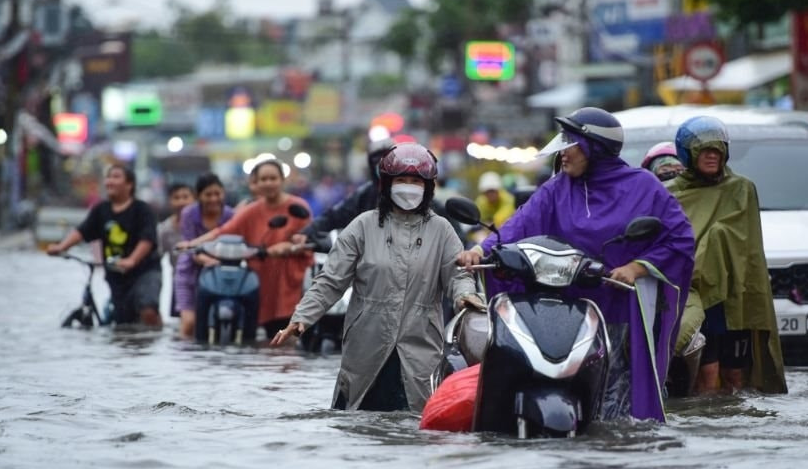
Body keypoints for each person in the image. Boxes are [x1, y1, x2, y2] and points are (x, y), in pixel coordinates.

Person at [457, 107, 696, 422]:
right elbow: (518, 226)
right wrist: (479, 250)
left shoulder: (644, 187)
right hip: (565, 309)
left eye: (571, 143)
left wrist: (636, 268)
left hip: (619, 310)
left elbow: (680, 239)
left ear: (595, 148)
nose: (563, 153)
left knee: (618, 407)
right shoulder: (558, 189)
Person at [272, 143, 483, 413]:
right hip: (366, 341)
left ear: (428, 187)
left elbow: (458, 274)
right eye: (401, 180)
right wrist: (301, 319)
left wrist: (466, 297)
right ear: (386, 184)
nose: (408, 187)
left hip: (419, 346)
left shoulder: (442, 230)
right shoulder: (362, 226)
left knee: (414, 423)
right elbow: (330, 281)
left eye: (415, 181)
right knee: (357, 424)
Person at [665, 116, 787, 395]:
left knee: (736, 376)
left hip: (735, 296)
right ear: (688, 153)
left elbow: (748, 244)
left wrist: (718, 239)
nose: (711, 156)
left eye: (717, 150)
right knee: (706, 376)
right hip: (698, 296)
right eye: (704, 150)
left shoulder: (742, 189)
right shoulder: (669, 194)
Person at [180, 158, 313, 338]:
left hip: (290, 284)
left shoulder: (298, 207)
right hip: (263, 283)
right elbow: (223, 231)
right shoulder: (251, 211)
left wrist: (288, 247)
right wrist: (193, 243)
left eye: (273, 178)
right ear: (256, 183)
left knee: (288, 338)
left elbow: (308, 240)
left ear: (282, 180)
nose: (268, 183)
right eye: (263, 179)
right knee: (268, 338)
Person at [291, 137, 466, 250]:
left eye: (388, 158)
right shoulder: (363, 200)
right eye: (377, 160)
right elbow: (332, 218)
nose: (406, 190)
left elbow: (455, 239)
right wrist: (305, 233)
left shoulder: (422, 200)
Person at [47, 164, 163, 328]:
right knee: (123, 323)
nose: (110, 181)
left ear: (129, 184)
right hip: (116, 274)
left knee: (148, 310)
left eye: (116, 177)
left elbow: (147, 239)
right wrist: (62, 247)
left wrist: (132, 260)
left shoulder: (142, 210)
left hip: (144, 272)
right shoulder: (101, 210)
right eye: (108, 177)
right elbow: (82, 231)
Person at [173, 173, 235, 339]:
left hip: (221, 273)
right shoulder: (189, 214)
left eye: (217, 194)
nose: (213, 199)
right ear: (199, 196)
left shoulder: (230, 215)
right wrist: (206, 259)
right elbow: (189, 246)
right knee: (189, 323)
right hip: (189, 272)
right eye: (208, 194)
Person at [157, 183, 195, 318]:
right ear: (170, 202)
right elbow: (156, 257)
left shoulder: (203, 222)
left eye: (185, 197)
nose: (181, 202)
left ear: (194, 199)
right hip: (180, 282)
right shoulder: (165, 229)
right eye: (176, 198)